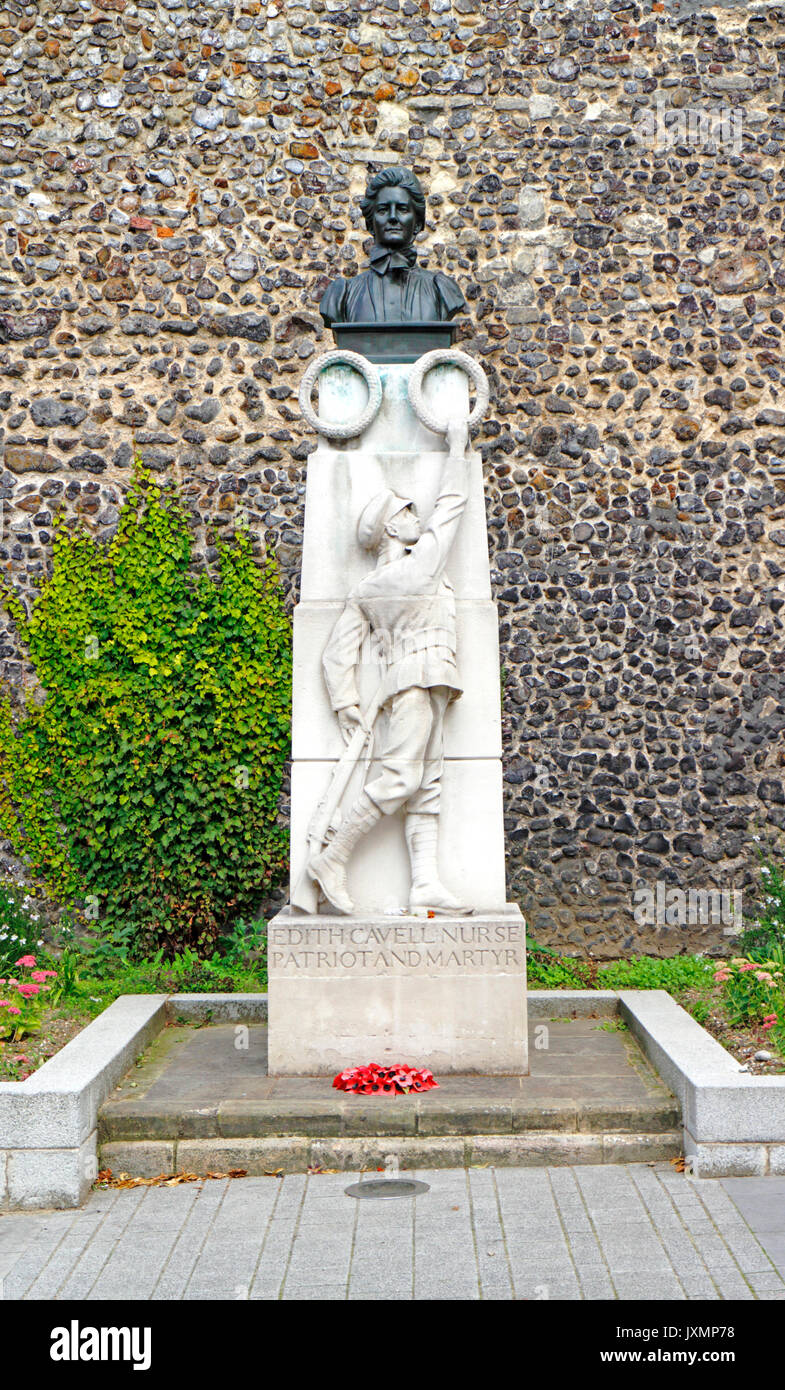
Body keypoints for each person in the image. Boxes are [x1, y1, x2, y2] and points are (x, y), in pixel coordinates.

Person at [306, 417, 471, 916]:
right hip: (416, 682)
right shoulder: (418, 567)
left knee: (428, 783)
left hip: (430, 681)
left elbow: (337, 654)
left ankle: (424, 884)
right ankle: (332, 858)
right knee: (403, 778)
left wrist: (347, 704)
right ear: (391, 528)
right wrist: (457, 451)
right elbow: (451, 508)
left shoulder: (366, 589)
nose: (415, 513)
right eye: (405, 510)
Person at [319, 166, 466, 327]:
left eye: (402, 209)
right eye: (383, 210)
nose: (393, 217)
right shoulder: (342, 294)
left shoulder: (442, 291)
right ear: (370, 225)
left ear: (417, 224)